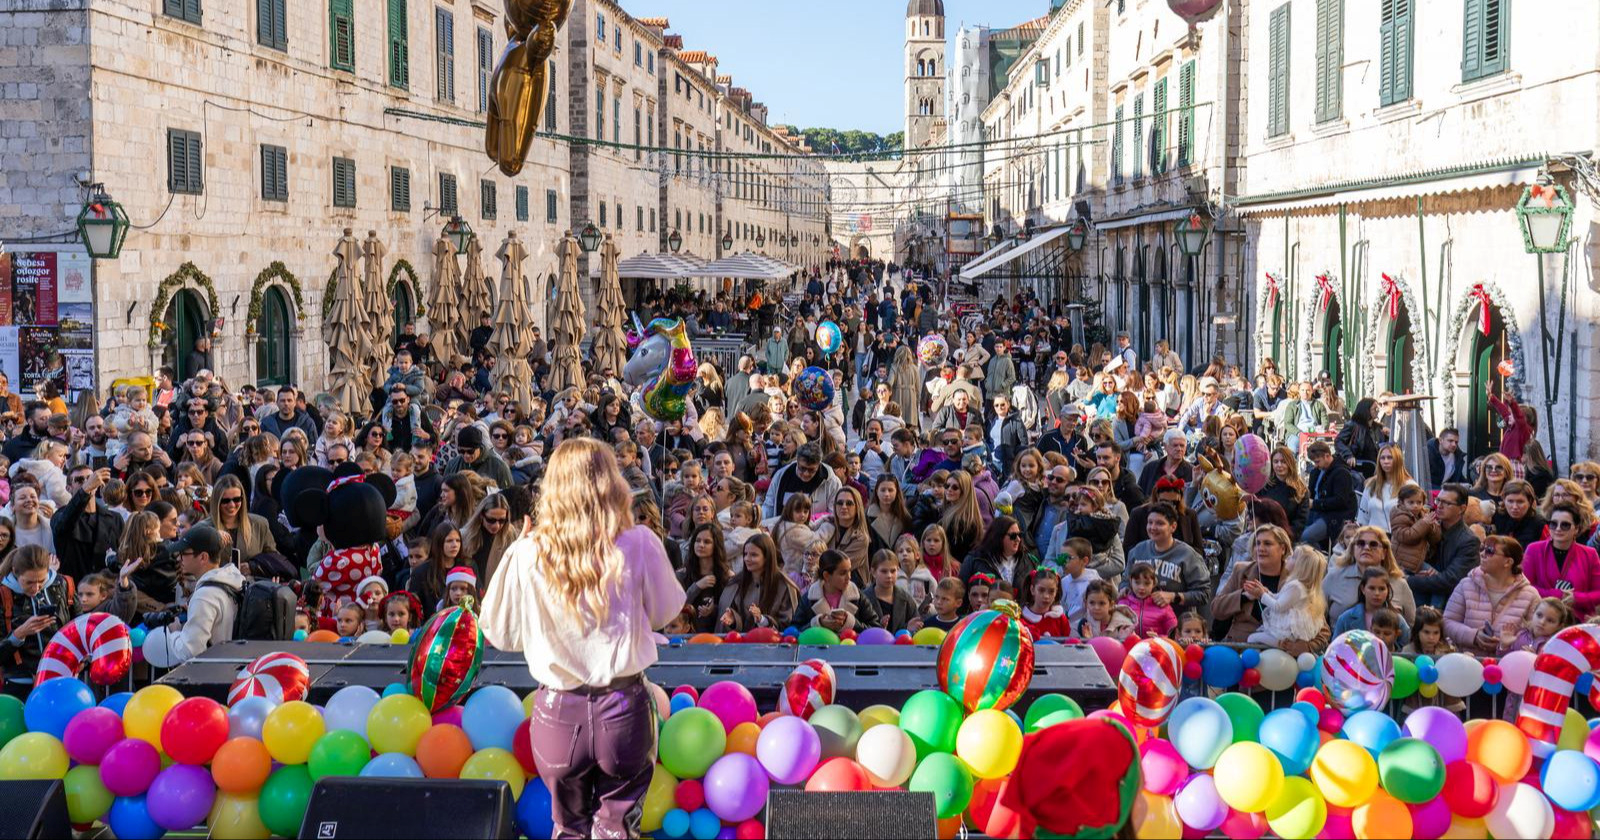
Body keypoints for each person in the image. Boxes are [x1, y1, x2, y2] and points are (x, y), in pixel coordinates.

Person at [480, 438, 685, 840]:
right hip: (623, 706)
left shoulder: (528, 552)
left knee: (568, 827)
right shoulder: (639, 542)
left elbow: (500, 632)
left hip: (558, 711)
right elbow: (666, 613)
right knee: (617, 829)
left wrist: (516, 554)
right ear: (612, 484)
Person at [1442, 535, 1540, 656]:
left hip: (1507, 664)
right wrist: (1474, 636)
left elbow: (1538, 634)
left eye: (1490, 551)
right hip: (1468, 662)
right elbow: (1447, 622)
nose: (1482, 554)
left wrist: (1507, 644)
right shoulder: (1465, 585)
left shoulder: (1530, 595)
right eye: (1482, 548)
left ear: (1508, 562)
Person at [0, 545, 75, 695]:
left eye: (41, 580)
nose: (36, 588)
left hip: (60, 677)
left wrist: (80, 661)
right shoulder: (3, 595)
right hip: (20, 682)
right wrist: (19, 634)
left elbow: (78, 627)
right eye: (29, 582)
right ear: (15, 572)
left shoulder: (62, 585)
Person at [166, 525, 246, 664]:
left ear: (203, 557)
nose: (179, 558)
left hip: (214, 671)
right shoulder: (235, 579)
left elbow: (189, 651)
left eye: (184, 553)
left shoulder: (205, 596)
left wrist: (175, 632)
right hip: (234, 666)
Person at [1124, 502, 1210, 613]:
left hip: (1177, 620)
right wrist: (1124, 589)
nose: (1153, 527)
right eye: (1150, 522)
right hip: (1141, 619)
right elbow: (1125, 581)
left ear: (1173, 527)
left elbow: (1204, 593)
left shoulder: (1188, 555)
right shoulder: (1137, 551)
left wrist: (1174, 597)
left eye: (1160, 523)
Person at [1408, 484, 1482, 609]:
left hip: (1449, 605)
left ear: (1462, 508)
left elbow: (1450, 580)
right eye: (1438, 500)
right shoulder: (1429, 527)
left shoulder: (1469, 541)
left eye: (1447, 503)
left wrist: (1408, 580)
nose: (1439, 506)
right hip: (1419, 596)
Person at [1523, 502, 1600, 620]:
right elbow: (1526, 587)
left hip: (1576, 619)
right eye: (1553, 524)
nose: (1558, 529)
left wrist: (1577, 598)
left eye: (1565, 525)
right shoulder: (1534, 549)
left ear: (1576, 529)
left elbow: (1598, 593)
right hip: (1541, 618)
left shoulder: (1590, 554)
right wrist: (1557, 595)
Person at [1246, 544, 1327, 647]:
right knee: (1255, 637)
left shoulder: (1296, 586)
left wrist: (1262, 595)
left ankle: (1282, 645)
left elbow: (1278, 606)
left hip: (1285, 633)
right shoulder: (1299, 585)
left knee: (1252, 638)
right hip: (1287, 632)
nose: (1288, 557)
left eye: (1293, 557)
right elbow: (1280, 598)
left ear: (1300, 566)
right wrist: (1266, 592)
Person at [1302, 441, 1357, 549]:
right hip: (1318, 512)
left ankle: (1317, 557)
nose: (1316, 465)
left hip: (1334, 517)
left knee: (1306, 537)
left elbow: (1340, 501)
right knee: (1295, 529)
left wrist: (1314, 504)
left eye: (1317, 461)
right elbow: (1311, 493)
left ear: (1327, 456)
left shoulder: (1341, 473)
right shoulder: (1316, 472)